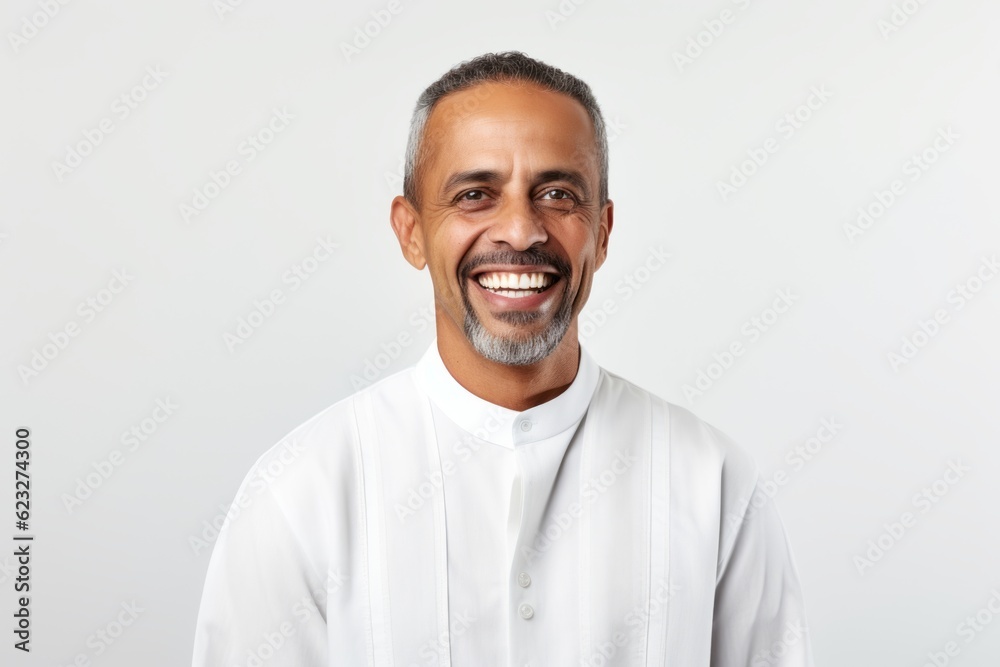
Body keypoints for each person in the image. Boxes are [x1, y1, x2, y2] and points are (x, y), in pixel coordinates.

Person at [192, 51, 814, 666]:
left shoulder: (713, 485)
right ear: (410, 231)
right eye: (474, 195)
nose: (520, 231)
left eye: (557, 194)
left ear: (602, 232)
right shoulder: (300, 493)